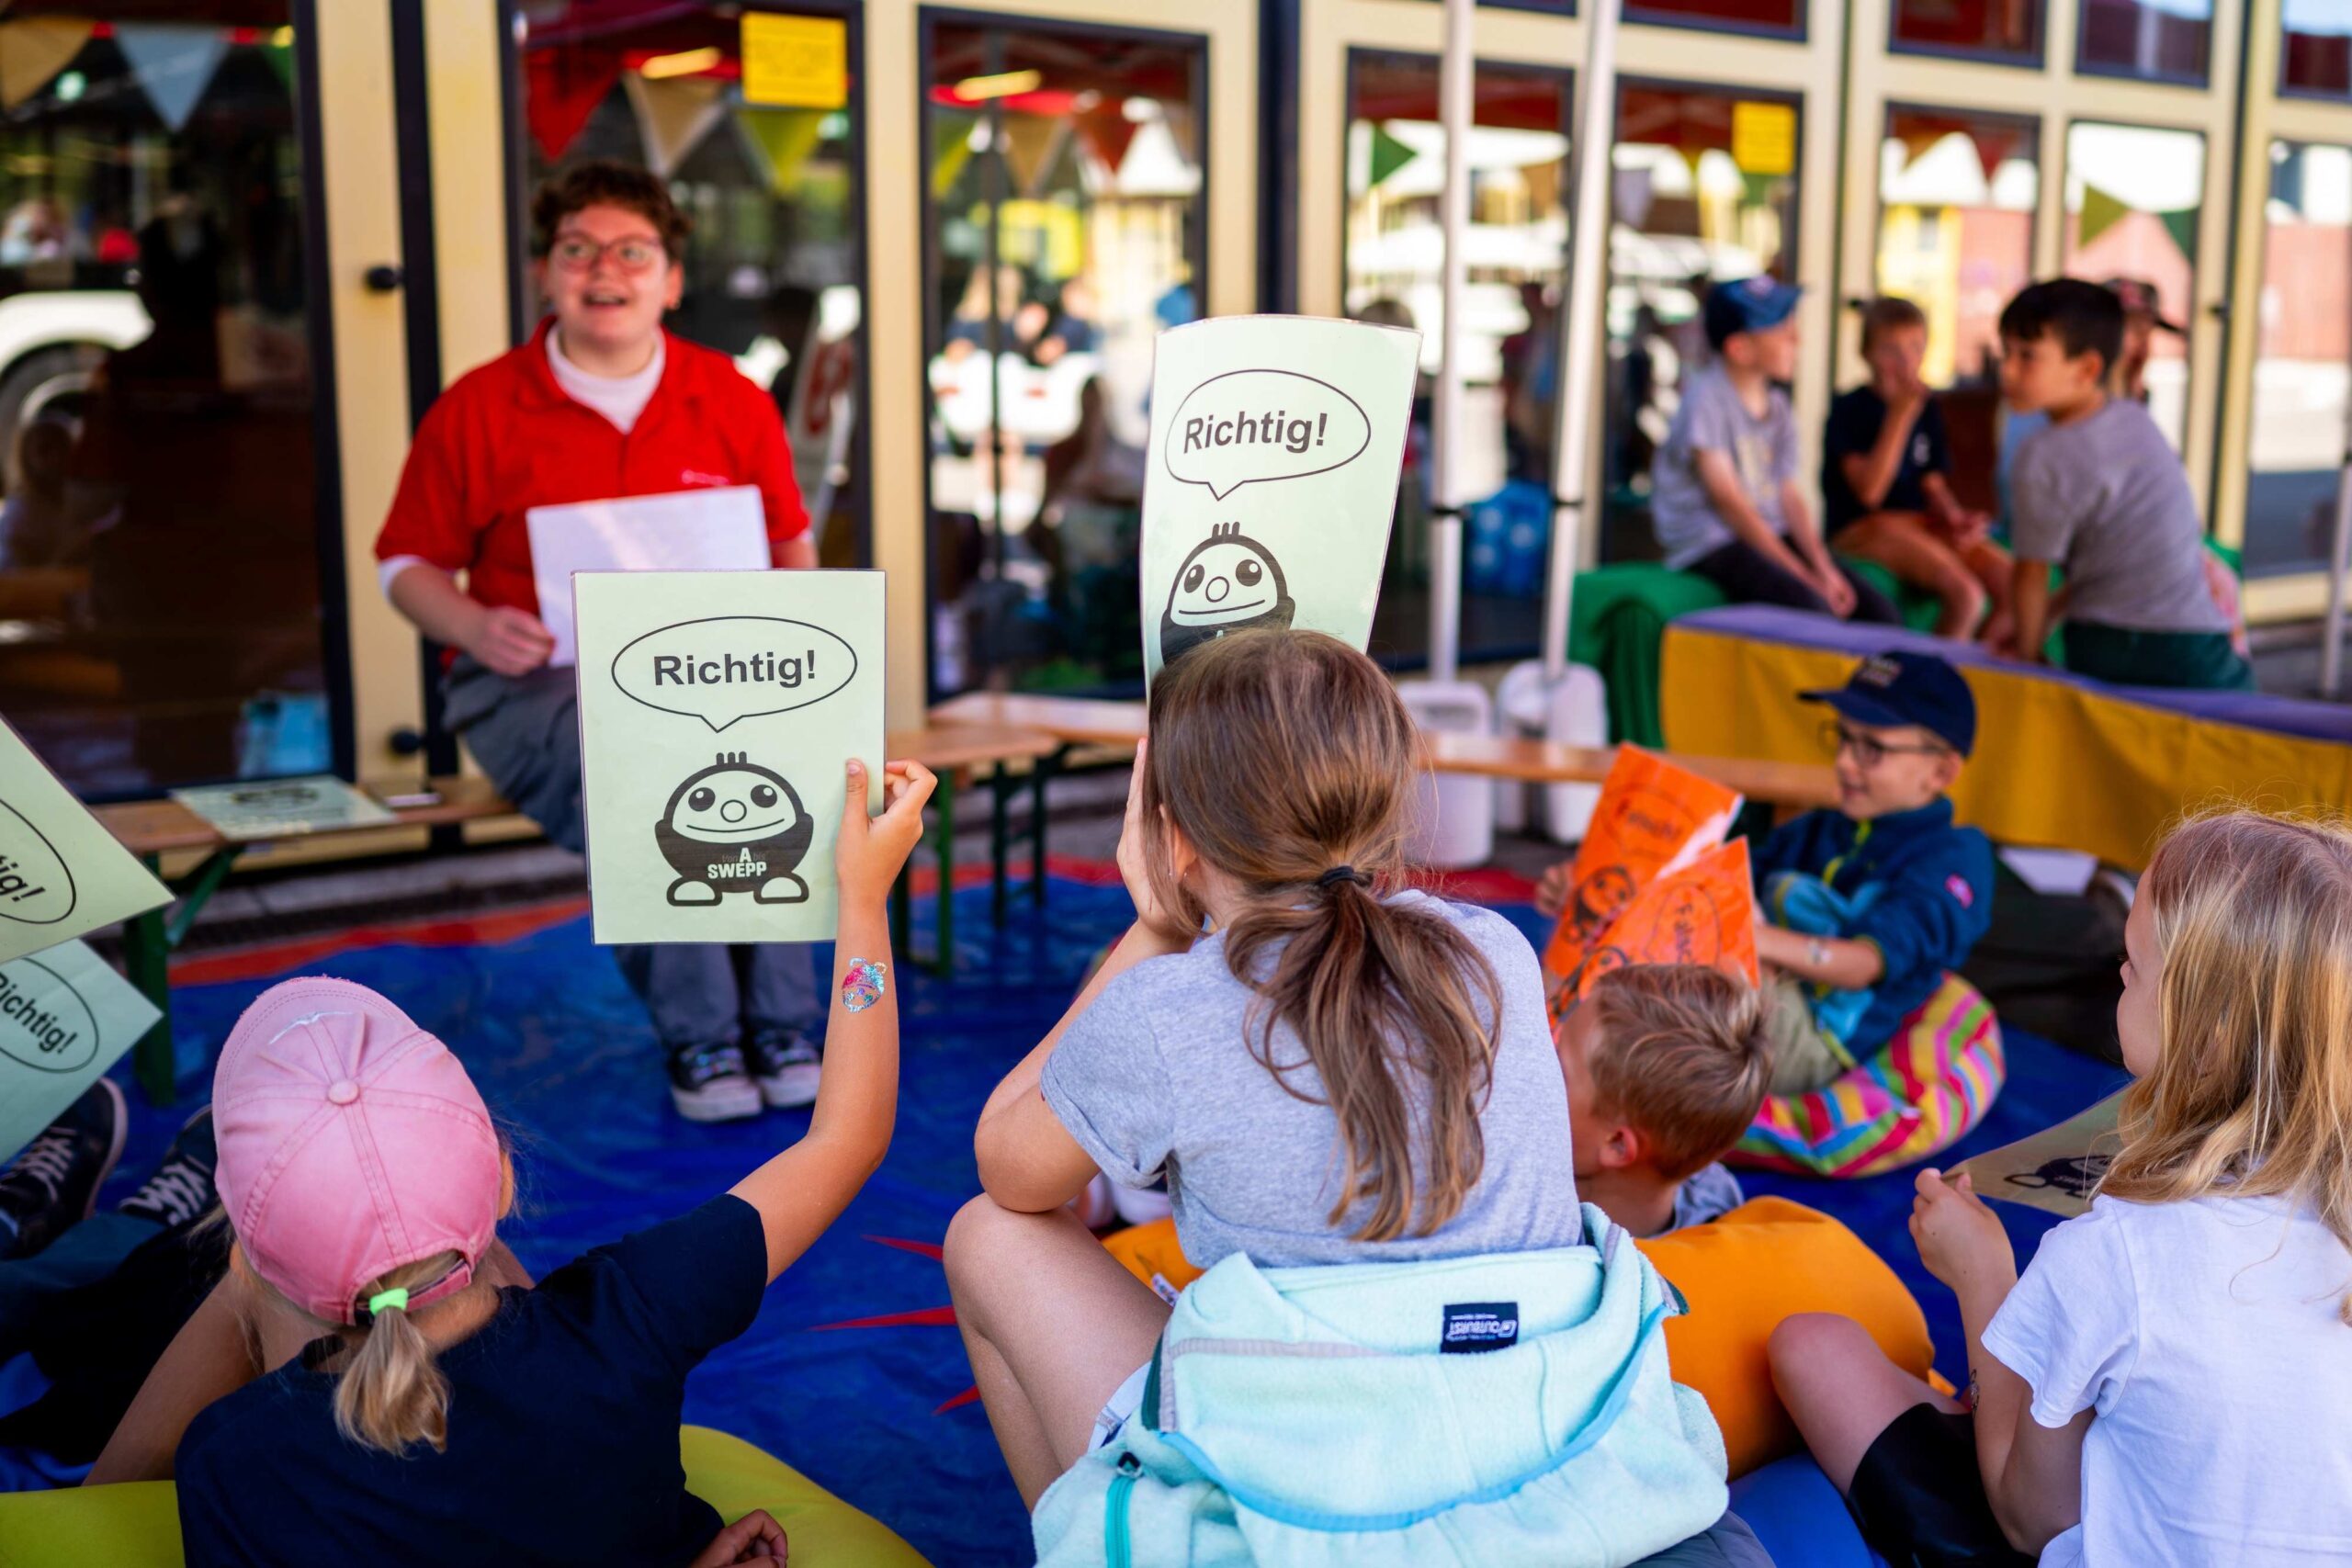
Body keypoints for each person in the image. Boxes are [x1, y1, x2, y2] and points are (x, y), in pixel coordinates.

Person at [943, 629, 1761, 1563]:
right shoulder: (1496, 954)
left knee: (987, 1233)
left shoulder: (1164, 1010)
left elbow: (1007, 1168)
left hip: (1314, 1497)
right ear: (1385, 806)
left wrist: (1152, 931)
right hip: (1550, 1454)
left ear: (1172, 837)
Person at [89, 758, 931, 1568]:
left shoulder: (236, 1463)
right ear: (500, 1177)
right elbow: (847, 1137)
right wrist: (864, 899)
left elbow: (111, 1498)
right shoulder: (627, 1320)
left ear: (245, 1254)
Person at [1768, 809, 2352, 1566]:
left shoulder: (2118, 1249)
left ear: (2203, 1033)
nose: (2118, 971)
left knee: (1813, 1347)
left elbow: (2033, 1518)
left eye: (2134, 962)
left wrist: (1984, 1274)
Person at [373, 161, 825, 1122]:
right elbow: (403, 562)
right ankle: (705, 1035)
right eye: (577, 250)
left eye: (632, 251)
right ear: (545, 272)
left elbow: (792, 546)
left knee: (775, 756)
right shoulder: (481, 405)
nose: (603, 269)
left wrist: (799, 660)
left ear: (671, 279)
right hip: (534, 683)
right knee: (640, 756)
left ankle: (785, 1023)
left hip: (714, 675)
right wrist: (472, 624)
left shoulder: (731, 397)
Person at [1747, 651, 1994, 1095]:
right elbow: (1740, 877)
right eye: (1843, 738)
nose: (1844, 762)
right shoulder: (1820, 826)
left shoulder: (1956, 857)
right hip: (1760, 995)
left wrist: (1750, 938)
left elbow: (1864, 963)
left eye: (1871, 749)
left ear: (1941, 771)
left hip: (1816, 1040)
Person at [1995, 278, 2253, 691]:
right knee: (2242, 723)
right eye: (2005, 353)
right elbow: (2115, 561)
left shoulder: (2043, 452)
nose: (2007, 370)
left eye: (2027, 356)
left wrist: (2028, 658)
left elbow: (2031, 573)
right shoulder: (2136, 421)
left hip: (2108, 641)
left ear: (2087, 369)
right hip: (2190, 639)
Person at [1652, 276, 1900, 626]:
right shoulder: (1706, 400)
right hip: (1711, 543)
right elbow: (1731, 505)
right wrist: (1803, 576)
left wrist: (1824, 568)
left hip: (1765, 534)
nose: (1796, 338)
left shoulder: (1779, 406)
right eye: (1781, 329)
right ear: (1740, 348)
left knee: (1879, 612)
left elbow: (1788, 495)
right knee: (1813, 610)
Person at [1823, 298, 2013, 642]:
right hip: (1863, 528)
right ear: (1866, 354)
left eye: (1915, 347)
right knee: (1967, 596)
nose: (1905, 361)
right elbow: (1870, 493)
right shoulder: (1850, 408)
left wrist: (1955, 518)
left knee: (2011, 584)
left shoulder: (1926, 408)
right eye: (1889, 350)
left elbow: (1932, 483)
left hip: (1918, 523)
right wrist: (1900, 416)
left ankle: (1975, 668)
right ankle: (1928, 674)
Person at [1556, 964, 1771, 1240]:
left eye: (1559, 1070)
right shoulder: (1715, 1191)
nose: (1535, 1059)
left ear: (1617, 1144)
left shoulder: (1544, 1245)